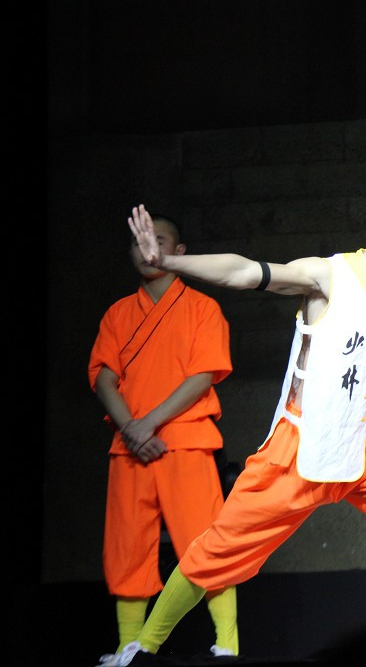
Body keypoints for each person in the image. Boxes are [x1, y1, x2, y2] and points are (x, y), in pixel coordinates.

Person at [100, 197, 366, 667]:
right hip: (303, 448)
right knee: (217, 548)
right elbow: (244, 272)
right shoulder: (329, 276)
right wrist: (169, 261)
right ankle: (143, 648)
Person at [89, 214, 238, 660]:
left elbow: (203, 375)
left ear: (179, 252)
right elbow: (103, 378)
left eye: (157, 240)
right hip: (130, 444)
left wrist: (146, 424)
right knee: (127, 546)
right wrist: (133, 431)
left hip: (185, 439)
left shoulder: (202, 308)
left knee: (204, 540)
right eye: (137, 242)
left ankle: (227, 642)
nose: (146, 248)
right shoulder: (117, 313)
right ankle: (125, 648)